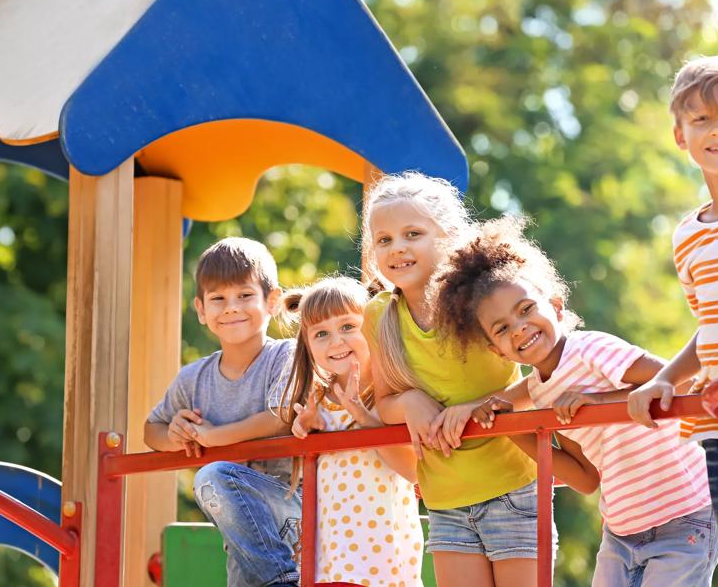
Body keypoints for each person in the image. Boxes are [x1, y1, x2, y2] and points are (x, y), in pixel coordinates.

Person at [433, 216, 718, 587]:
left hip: (684, 514)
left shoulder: (591, 349)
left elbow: (678, 381)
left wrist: (598, 401)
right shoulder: (541, 391)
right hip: (622, 530)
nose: (519, 327)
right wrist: (508, 428)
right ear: (496, 349)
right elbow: (585, 479)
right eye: (502, 328)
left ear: (555, 305)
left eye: (525, 309)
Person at [360, 172, 542, 587]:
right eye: (383, 239)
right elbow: (384, 403)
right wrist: (407, 402)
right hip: (444, 500)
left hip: (511, 488)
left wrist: (478, 408)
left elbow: (544, 377)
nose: (397, 247)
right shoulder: (379, 317)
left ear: (449, 237)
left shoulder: (482, 300)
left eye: (413, 233)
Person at [627, 54, 718, 587]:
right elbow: (714, 328)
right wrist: (665, 379)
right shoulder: (689, 236)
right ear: (680, 136)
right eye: (701, 119)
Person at [144, 237, 300, 587]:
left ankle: (283, 579)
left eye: (245, 295)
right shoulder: (194, 378)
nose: (231, 308)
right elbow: (151, 428)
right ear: (201, 310)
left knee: (213, 477)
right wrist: (175, 435)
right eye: (218, 299)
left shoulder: (286, 356)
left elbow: (280, 417)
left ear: (272, 301)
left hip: (291, 505)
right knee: (215, 481)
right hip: (243, 536)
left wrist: (212, 437)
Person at [281, 276, 423, 586]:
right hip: (327, 557)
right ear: (307, 345)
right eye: (321, 333)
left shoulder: (391, 395)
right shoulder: (317, 400)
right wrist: (304, 429)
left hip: (378, 553)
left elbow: (413, 471)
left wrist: (364, 418)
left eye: (347, 327)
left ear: (372, 326)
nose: (335, 342)